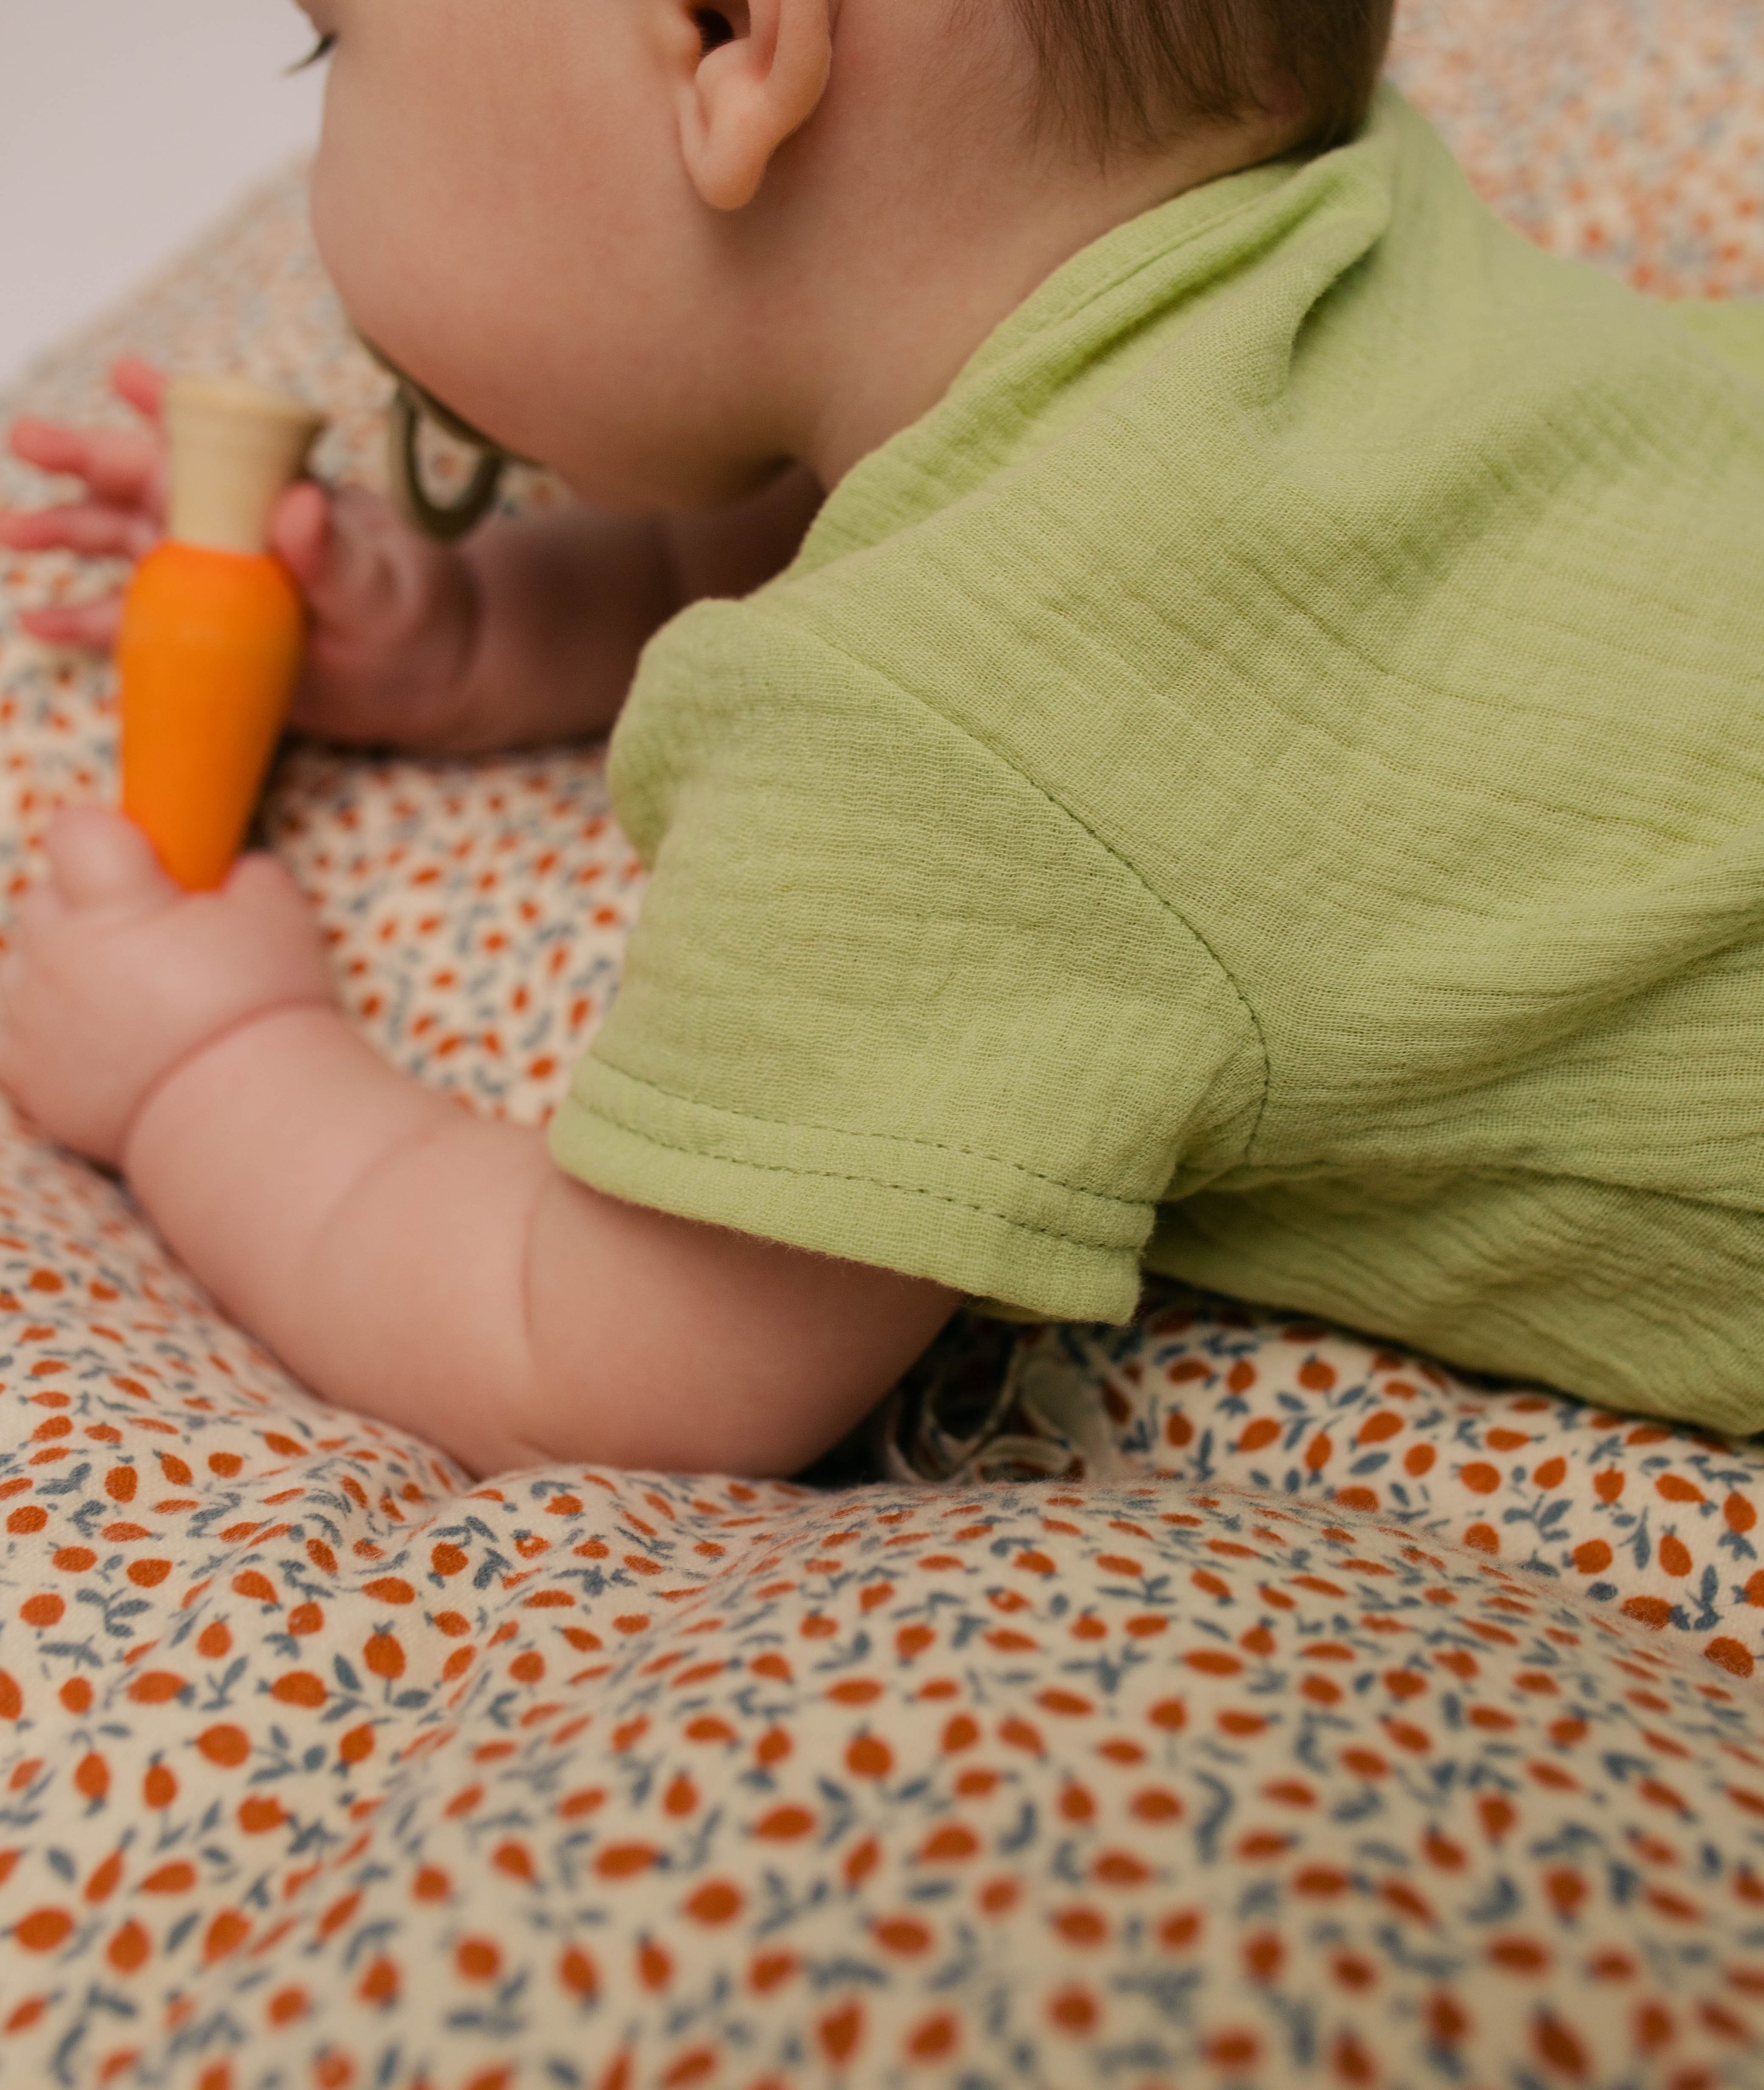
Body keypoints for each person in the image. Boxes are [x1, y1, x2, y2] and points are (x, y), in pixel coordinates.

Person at [2, 0, 1762, 1479]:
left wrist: (205, 1057)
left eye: (335, 49)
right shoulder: (1324, 225)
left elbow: (603, 1364)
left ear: (727, 39)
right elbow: (894, 495)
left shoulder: (946, 730)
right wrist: (481, 628)